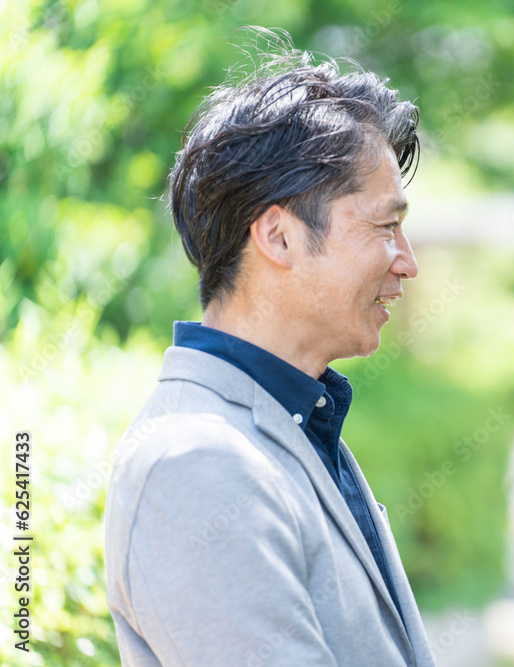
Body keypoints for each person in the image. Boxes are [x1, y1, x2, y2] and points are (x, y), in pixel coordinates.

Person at [103, 31, 435, 665]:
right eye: (387, 225)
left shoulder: (294, 421)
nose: (407, 262)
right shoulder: (195, 462)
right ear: (279, 237)